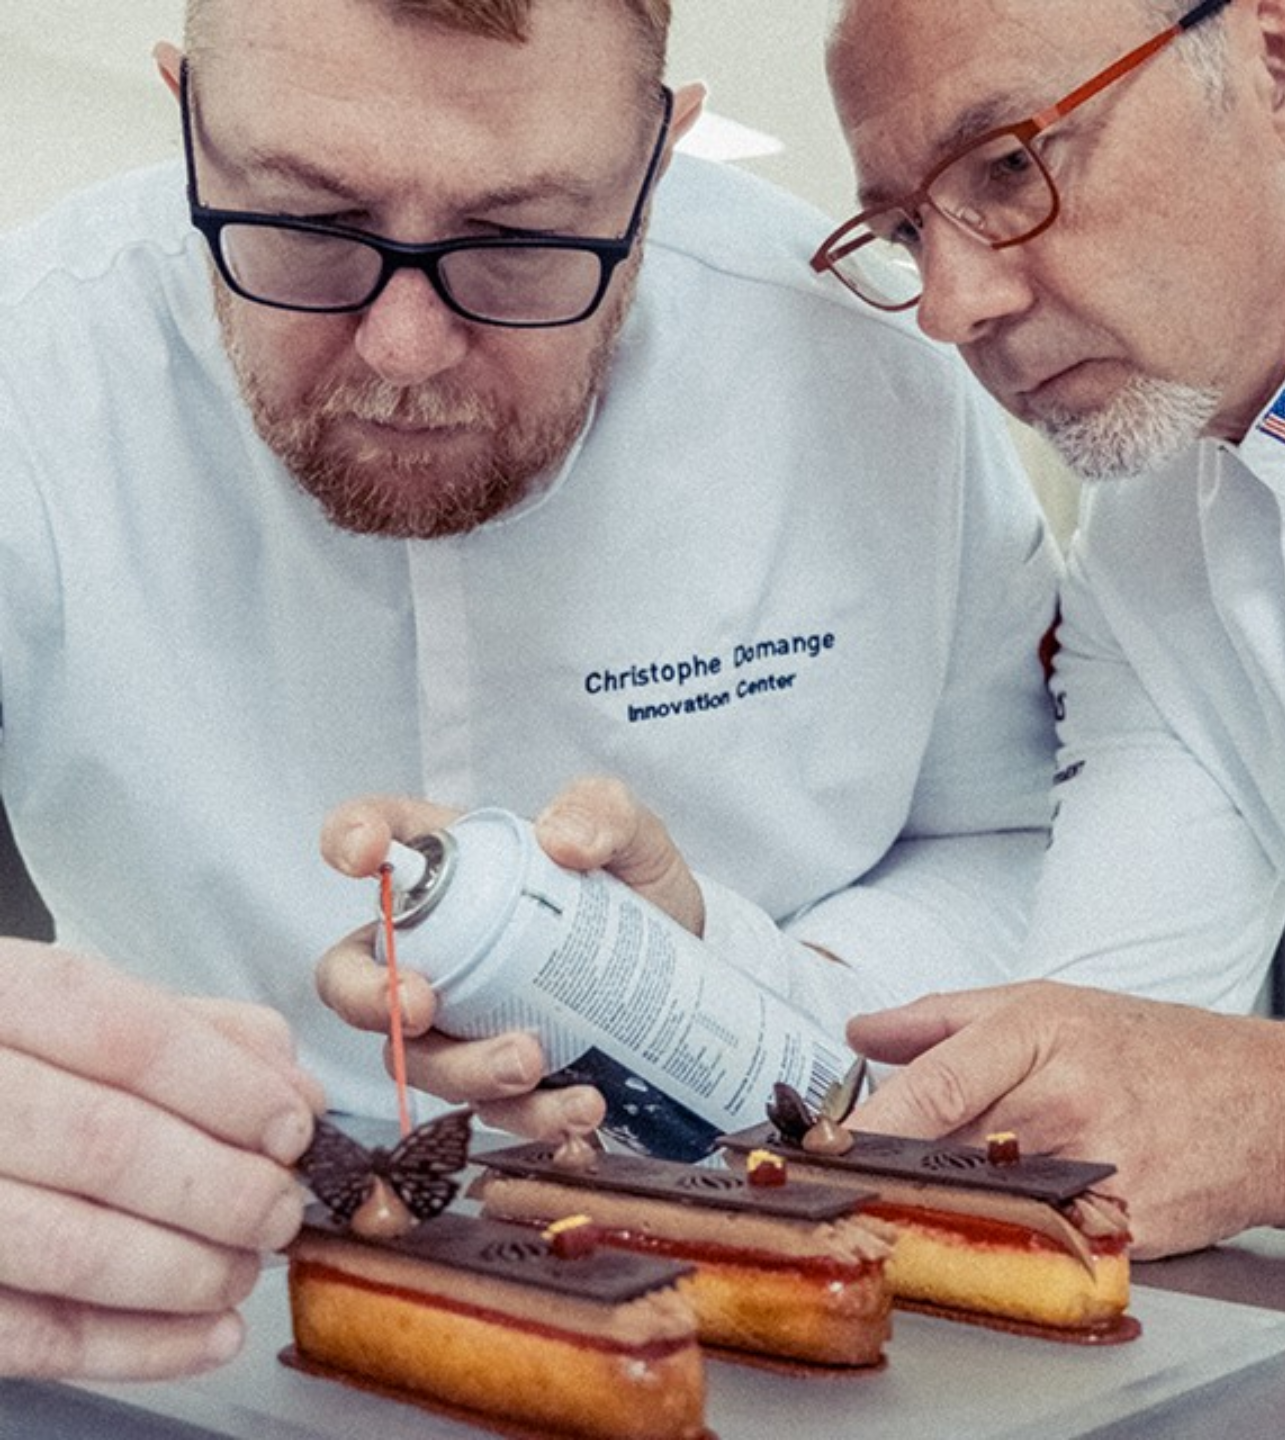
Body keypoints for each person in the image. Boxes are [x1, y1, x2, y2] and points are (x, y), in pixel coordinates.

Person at [0, 0, 1060, 1379]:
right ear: (189, 123)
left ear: (657, 164)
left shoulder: (875, 372)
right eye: (306, 225)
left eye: (518, 242)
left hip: (793, 1281)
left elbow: (1010, 838)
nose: (404, 349)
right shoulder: (33, 372)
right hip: (170, 1306)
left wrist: (744, 980)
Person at [807, 0, 1285, 1257]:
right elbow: (1100, 1073)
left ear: (1279, 59)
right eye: (906, 233)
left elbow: (1229, 1114)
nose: (950, 306)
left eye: (1009, 164)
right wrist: (647, 969)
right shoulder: (1147, 538)